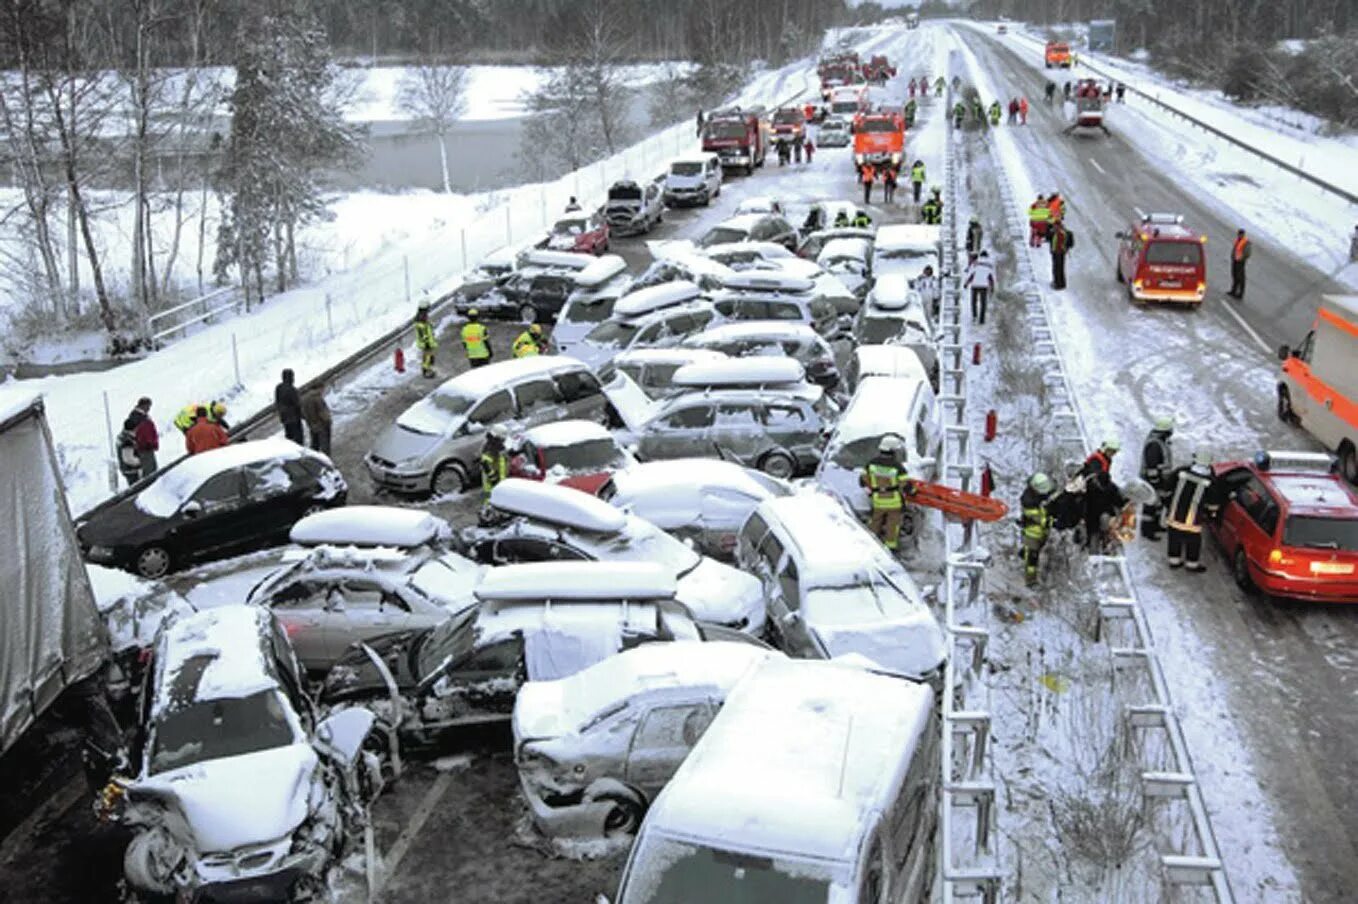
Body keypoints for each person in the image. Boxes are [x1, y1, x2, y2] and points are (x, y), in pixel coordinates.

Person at [1164, 451, 1226, 571]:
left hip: (1174, 516)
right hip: (1192, 521)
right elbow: (1213, 504)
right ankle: (1191, 565)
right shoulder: (1210, 482)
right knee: (1193, 543)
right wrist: (1211, 515)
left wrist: (1167, 504)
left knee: (1174, 539)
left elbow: (1167, 488)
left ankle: (1174, 561)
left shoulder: (1181, 472)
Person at [860, 436, 915, 551]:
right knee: (892, 526)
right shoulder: (897, 467)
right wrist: (913, 492)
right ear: (893, 451)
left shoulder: (871, 464)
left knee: (875, 522)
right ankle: (890, 548)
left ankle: (870, 546)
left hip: (877, 501)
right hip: (893, 503)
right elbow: (905, 485)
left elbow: (863, 480)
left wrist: (871, 491)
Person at [1079, 439, 1127, 551]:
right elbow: (1095, 480)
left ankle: (1096, 539)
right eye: (1112, 451)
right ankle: (1092, 543)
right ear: (1107, 450)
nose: (1113, 454)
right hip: (1092, 496)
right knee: (1094, 519)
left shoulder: (1103, 458)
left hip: (1096, 491)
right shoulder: (1096, 462)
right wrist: (1109, 490)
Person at [1139, 415, 1175, 540]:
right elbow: (1152, 466)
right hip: (1153, 481)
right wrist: (1156, 482)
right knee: (1150, 505)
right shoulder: (1154, 445)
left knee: (1157, 505)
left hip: (1158, 480)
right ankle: (1147, 531)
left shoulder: (1159, 441)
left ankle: (1155, 526)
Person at [1019, 472, 1056, 587]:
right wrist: (1054, 521)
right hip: (1032, 534)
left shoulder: (1035, 496)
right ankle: (1030, 580)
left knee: (1034, 551)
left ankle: (1023, 552)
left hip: (1039, 533)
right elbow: (1042, 520)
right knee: (1032, 559)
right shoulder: (1030, 503)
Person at [117, 397, 159, 485]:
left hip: (133, 465)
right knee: (137, 486)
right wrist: (141, 462)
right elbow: (128, 458)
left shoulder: (128, 437)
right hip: (131, 469)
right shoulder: (128, 440)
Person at [963, 249, 996, 325]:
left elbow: (970, 275)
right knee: (983, 303)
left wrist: (966, 283)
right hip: (984, 285)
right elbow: (991, 278)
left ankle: (974, 316)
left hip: (975, 285)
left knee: (974, 301)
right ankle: (982, 319)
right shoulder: (989, 265)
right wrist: (992, 287)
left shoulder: (975, 263)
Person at [300, 383, 332, 455]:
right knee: (325, 445)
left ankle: (313, 458)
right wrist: (328, 421)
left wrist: (309, 421)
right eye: (322, 389)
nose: (323, 391)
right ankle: (326, 460)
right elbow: (322, 411)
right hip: (321, 425)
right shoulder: (317, 398)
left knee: (315, 444)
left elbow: (302, 413)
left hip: (312, 425)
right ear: (319, 388)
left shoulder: (304, 399)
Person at [480, 424, 510, 501]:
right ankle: (485, 509)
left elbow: (503, 459)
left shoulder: (498, 445)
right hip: (491, 481)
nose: (504, 440)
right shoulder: (490, 447)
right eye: (502, 438)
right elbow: (485, 463)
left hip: (499, 479)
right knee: (487, 497)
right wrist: (493, 479)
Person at [275, 369, 304, 444]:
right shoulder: (292, 389)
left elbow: (277, 401)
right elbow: (297, 404)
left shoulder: (279, 388)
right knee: (298, 439)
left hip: (285, 418)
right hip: (294, 418)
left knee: (289, 438)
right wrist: (303, 415)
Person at [414, 300, 438, 378]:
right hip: (426, 343)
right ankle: (426, 371)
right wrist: (426, 341)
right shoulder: (421, 319)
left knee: (429, 357)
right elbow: (422, 332)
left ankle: (428, 369)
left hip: (427, 342)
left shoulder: (422, 317)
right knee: (427, 357)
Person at [1049, 220, 1073, 290]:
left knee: (1057, 268)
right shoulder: (1064, 232)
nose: (1054, 227)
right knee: (1060, 268)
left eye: (1055, 226)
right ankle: (1061, 283)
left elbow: (1055, 242)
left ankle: (1057, 284)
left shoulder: (1059, 233)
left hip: (1058, 252)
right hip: (1059, 252)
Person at [1227, 228, 1251, 299]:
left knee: (1240, 278)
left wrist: (1241, 258)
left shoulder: (1246, 242)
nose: (1239, 236)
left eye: (1240, 234)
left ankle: (1240, 294)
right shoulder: (1238, 240)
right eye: (1238, 234)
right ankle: (1233, 291)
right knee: (1234, 275)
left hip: (1240, 262)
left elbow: (1247, 253)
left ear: (1243, 234)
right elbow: (1235, 249)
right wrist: (1232, 256)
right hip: (1235, 260)